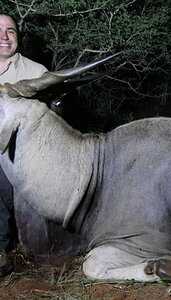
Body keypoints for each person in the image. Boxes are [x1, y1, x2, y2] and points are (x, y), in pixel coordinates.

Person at [0, 13, 48, 277]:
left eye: (11, 31)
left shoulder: (37, 72)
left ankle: (3, 246)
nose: (4, 37)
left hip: (24, 152)